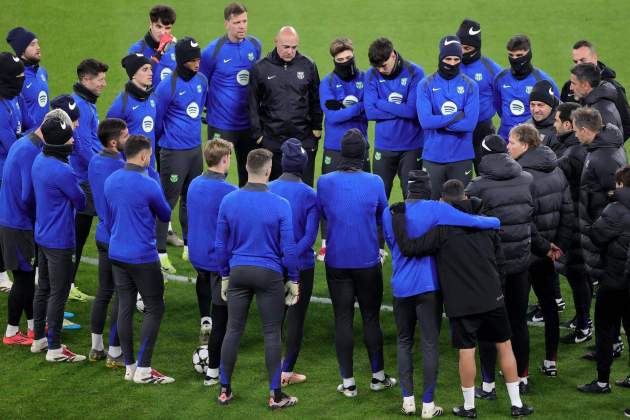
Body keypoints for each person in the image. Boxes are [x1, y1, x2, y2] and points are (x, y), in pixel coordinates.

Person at [389, 180, 533, 418]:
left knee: (467, 351)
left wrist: (399, 218)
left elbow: (409, 248)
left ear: (442, 201)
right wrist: (499, 293)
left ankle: (469, 407)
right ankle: (517, 404)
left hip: (461, 303)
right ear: (465, 196)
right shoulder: (486, 225)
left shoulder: (441, 230)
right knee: (504, 346)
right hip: (492, 297)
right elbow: (501, 264)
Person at [215, 148, 300, 409]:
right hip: (269, 274)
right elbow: (290, 248)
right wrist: (294, 279)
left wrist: (225, 276)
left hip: (238, 272)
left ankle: (224, 390)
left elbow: (220, 245)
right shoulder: (280, 204)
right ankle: (276, 396)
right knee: (272, 333)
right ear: (269, 170)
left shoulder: (229, 200)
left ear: (247, 169)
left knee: (233, 329)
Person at [317, 128, 396, 398]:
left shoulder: (324, 182)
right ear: (363, 154)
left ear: (341, 154)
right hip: (366, 261)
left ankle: (348, 383)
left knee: (342, 319)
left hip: (337, 260)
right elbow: (382, 216)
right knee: (371, 317)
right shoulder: (374, 181)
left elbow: (323, 214)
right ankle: (377, 377)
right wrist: (383, 249)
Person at [464, 134, 535, 396]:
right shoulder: (526, 179)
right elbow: (531, 216)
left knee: (486, 324)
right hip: (520, 263)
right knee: (518, 321)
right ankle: (523, 378)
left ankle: (488, 384)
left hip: (491, 266)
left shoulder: (477, 186)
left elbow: (465, 223)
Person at [105, 135, 173, 384]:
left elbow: (109, 213)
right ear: (144, 156)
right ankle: (144, 370)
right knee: (154, 308)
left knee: (125, 305)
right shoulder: (148, 183)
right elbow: (165, 213)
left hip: (117, 252)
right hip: (142, 256)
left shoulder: (111, 180)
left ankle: (129, 366)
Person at [508, 123, 573, 377]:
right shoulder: (557, 170)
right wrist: (558, 247)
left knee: (517, 314)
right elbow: (568, 212)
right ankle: (551, 362)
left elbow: (524, 220)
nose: (507, 146)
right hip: (549, 255)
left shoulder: (520, 175)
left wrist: (544, 247)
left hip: (526, 253)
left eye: (511, 142)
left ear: (525, 145)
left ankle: (520, 373)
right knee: (549, 307)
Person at [0, 110, 62, 346]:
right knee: (24, 280)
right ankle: (11, 332)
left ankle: (33, 325)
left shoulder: (24, 142)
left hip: (10, 220)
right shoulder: (30, 152)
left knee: (25, 276)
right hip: (19, 225)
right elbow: (28, 195)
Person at [31, 110, 87, 361]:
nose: (73, 141)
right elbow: (81, 201)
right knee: (59, 292)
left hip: (42, 234)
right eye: (69, 138)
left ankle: (39, 340)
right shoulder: (62, 171)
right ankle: (54, 348)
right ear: (58, 142)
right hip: (60, 240)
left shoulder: (39, 160)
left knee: (43, 289)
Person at [573, 107, 627, 362]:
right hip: (601, 230)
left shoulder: (603, 158)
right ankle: (612, 342)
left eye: (575, 130)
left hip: (605, 235)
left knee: (609, 295)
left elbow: (615, 198)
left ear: (585, 130)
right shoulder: (602, 147)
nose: (574, 135)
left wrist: (598, 227)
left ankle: (612, 344)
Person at [154, 36, 208, 273]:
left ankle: (188, 244)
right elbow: (157, 120)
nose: (197, 65)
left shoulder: (202, 81)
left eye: (198, 60)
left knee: (191, 199)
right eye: (192, 61)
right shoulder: (167, 86)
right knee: (168, 202)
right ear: (181, 61)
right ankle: (160, 252)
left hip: (195, 150)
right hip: (173, 152)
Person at [269, 139, 319, 386]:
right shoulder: (310, 194)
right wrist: (292, 258)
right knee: (296, 318)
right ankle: (286, 371)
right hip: (301, 266)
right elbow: (310, 237)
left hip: (272, 264)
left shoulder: (267, 189)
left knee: (275, 318)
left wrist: (278, 256)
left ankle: (273, 368)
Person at [186, 139, 237, 384]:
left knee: (202, 280)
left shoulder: (195, 183)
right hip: (216, 259)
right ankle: (213, 372)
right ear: (225, 160)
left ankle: (204, 320)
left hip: (197, 254)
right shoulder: (229, 192)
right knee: (222, 314)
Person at [577, 165, 630, 395]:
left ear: (620, 184)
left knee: (606, 329)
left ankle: (602, 381)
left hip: (614, 280)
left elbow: (597, 235)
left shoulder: (616, 210)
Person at [248, 26, 322, 186]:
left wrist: (317, 128)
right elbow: (252, 103)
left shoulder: (308, 65)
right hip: (272, 141)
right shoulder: (260, 68)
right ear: (276, 42)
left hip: (303, 139)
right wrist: (258, 135)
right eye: (286, 47)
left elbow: (316, 98)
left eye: (294, 47)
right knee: (273, 190)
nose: (290, 51)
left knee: (304, 189)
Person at [317, 37, 369, 261]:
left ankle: (360, 240)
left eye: (349, 58)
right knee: (328, 196)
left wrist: (345, 107)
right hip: (334, 147)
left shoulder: (366, 78)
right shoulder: (327, 83)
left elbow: (370, 109)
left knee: (362, 196)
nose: (346, 62)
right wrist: (358, 106)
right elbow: (333, 116)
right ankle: (326, 243)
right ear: (334, 60)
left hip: (360, 148)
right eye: (341, 59)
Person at [200, 2, 261, 187]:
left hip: (248, 124)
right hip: (221, 124)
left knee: (249, 173)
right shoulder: (212, 52)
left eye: (244, 21)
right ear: (227, 23)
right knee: (217, 173)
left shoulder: (254, 45)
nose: (242, 26)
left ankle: (244, 213)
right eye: (237, 22)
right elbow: (202, 83)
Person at [87, 118, 129, 366]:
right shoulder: (121, 167)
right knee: (122, 296)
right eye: (125, 135)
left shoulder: (95, 160)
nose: (129, 137)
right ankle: (115, 352)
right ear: (114, 142)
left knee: (103, 292)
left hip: (102, 234)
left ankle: (96, 348)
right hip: (117, 238)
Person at [417, 35, 479, 199]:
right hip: (433, 157)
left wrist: (438, 120)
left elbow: (470, 124)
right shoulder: (425, 84)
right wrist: (458, 116)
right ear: (440, 57)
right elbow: (425, 121)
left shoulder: (471, 85)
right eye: (448, 58)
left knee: (462, 205)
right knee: (433, 206)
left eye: (456, 59)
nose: (452, 63)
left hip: (461, 157)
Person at [552, 102, 593, 343]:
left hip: (575, 221)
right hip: (584, 218)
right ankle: (582, 318)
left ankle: (583, 326)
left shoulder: (571, 153)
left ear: (569, 125)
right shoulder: (582, 147)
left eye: (558, 121)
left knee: (576, 273)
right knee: (581, 273)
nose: (555, 124)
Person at [70, 58, 109, 303]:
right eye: (100, 79)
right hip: (84, 179)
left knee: (80, 232)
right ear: (86, 79)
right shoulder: (82, 106)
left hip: (87, 176)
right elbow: (82, 147)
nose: (104, 84)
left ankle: (67, 283)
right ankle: (65, 285)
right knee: (79, 233)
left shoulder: (86, 102)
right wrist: (102, 168)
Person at [365, 37, 424, 199]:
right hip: (383, 147)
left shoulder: (415, 72)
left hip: (411, 148)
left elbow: (413, 111)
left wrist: (381, 103)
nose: (380, 70)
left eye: (383, 66)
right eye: (376, 67)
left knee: (413, 198)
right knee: (379, 199)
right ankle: (381, 226)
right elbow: (370, 112)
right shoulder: (371, 75)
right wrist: (401, 108)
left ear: (392, 55)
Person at [0, 51, 29, 293]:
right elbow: (12, 147)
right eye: (18, 76)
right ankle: (1, 275)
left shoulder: (12, 97)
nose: (22, 79)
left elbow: (27, 126)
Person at [456, 19, 502, 172]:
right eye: (459, 47)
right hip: (457, 130)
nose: (462, 52)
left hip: (482, 130)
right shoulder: (451, 65)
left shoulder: (491, 69)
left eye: (467, 48)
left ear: (476, 47)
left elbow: (503, 97)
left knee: (486, 174)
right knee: (457, 178)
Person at [560, 40, 630, 141]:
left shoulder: (614, 88)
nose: (578, 65)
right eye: (575, 62)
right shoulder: (569, 86)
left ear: (595, 58)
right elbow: (563, 119)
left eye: (583, 60)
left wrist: (608, 147)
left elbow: (626, 124)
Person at [494, 35, 558, 140]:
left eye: (519, 55)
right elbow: (498, 106)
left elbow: (555, 110)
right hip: (505, 139)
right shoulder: (500, 79)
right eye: (511, 55)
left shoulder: (543, 81)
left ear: (529, 54)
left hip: (531, 141)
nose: (514, 59)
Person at [107, 53, 157, 170]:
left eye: (150, 69)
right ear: (133, 74)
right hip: (130, 167)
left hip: (150, 164)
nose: (151, 73)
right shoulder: (121, 104)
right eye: (145, 70)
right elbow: (110, 140)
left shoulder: (152, 98)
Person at [6, 27, 48, 128]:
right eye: (32, 44)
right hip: (29, 138)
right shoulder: (16, 78)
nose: (38, 47)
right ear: (22, 51)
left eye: (37, 43)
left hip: (46, 136)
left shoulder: (42, 72)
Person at [128, 4, 177, 88]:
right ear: (150, 24)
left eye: (167, 28)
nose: (163, 32)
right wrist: (160, 52)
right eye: (159, 26)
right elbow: (140, 85)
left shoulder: (175, 48)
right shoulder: (137, 50)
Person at [570, 63, 623, 131]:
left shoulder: (600, 110)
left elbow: (608, 140)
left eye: (573, 83)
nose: (570, 88)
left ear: (585, 85)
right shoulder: (595, 102)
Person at [527, 80, 560, 146]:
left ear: (550, 106)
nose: (536, 110)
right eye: (532, 104)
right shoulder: (527, 126)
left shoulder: (560, 130)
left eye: (540, 105)